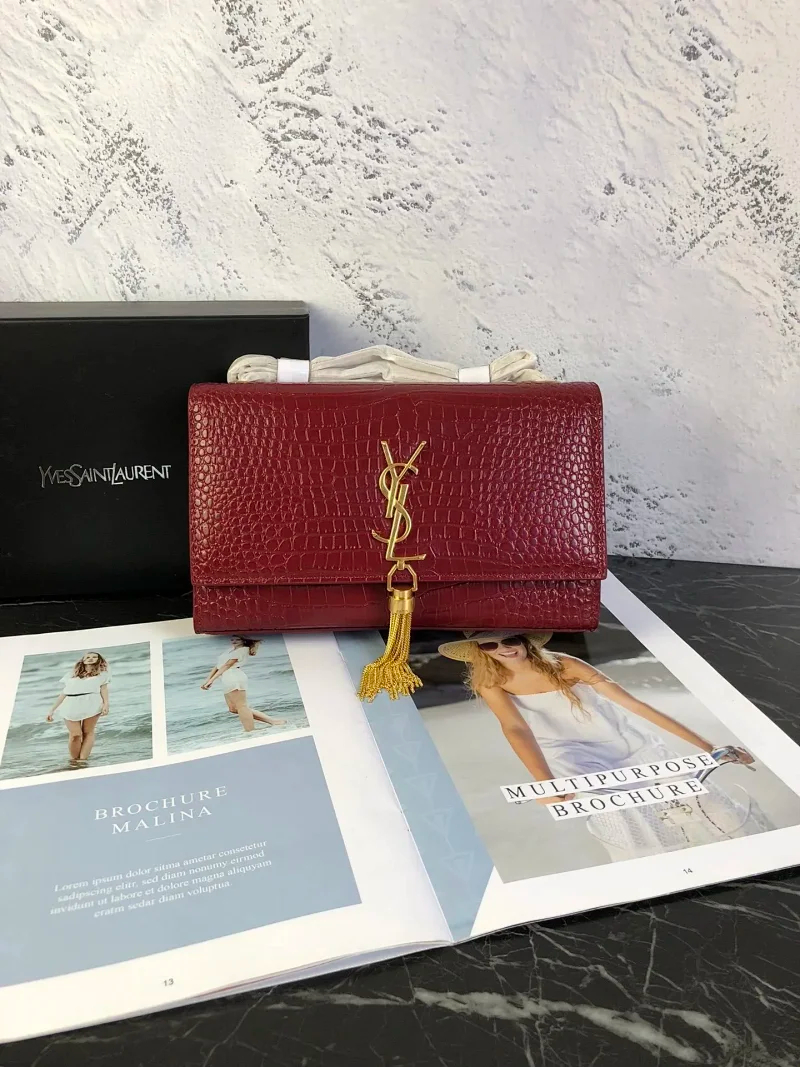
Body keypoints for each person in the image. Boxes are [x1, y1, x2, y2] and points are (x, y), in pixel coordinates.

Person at [438, 631, 772, 860]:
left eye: (509, 640)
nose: (503, 649)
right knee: (624, 821)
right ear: (480, 651)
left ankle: (755, 858)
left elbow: (634, 705)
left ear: (523, 639)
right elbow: (515, 728)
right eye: (489, 645)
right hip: (571, 754)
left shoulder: (566, 665)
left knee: (703, 799)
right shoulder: (491, 682)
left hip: (626, 742)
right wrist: (545, 781)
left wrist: (708, 747)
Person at [200, 637, 286, 734]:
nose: (234, 641)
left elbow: (227, 665)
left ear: (243, 640)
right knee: (233, 709)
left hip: (234, 677)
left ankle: (250, 731)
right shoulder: (230, 650)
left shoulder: (243, 650)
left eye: (237, 639)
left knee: (241, 706)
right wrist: (207, 680)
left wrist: (212, 680)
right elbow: (217, 666)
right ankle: (272, 721)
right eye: (232, 639)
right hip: (226, 678)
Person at [46, 652, 111, 767]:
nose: (91, 659)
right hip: (70, 704)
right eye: (88, 657)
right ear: (83, 660)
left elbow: (104, 690)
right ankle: (74, 760)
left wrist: (106, 704)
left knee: (88, 732)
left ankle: (82, 761)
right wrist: (52, 710)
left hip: (92, 703)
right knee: (75, 734)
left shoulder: (103, 675)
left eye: (94, 657)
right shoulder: (71, 674)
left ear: (99, 660)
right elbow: (64, 693)